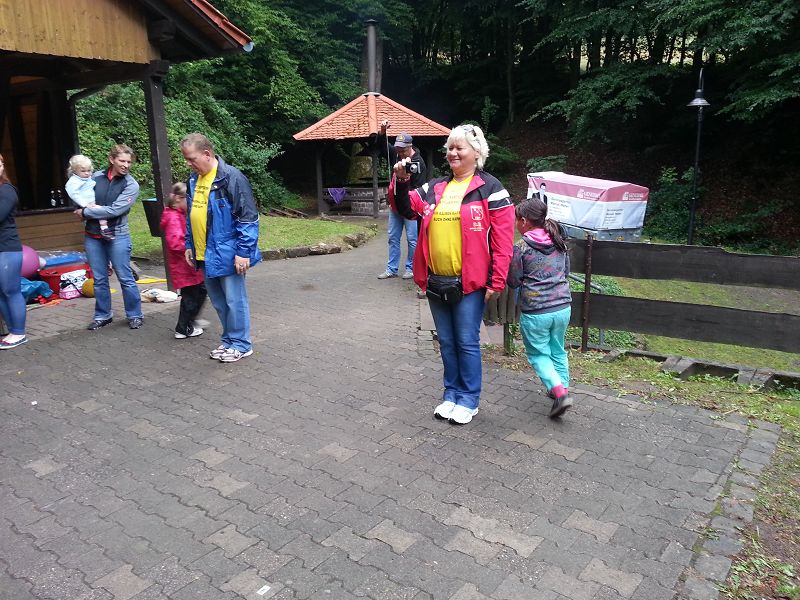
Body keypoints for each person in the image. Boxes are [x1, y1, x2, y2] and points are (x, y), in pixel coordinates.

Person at [393, 124, 515, 425]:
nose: (453, 153)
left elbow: (503, 241)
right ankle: (451, 395)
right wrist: (401, 180)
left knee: (466, 341)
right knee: (446, 341)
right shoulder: (435, 187)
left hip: (470, 282)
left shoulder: (491, 188)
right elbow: (406, 209)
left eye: (460, 147)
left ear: (477, 152)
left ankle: (469, 399)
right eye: (450, 148)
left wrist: (497, 280)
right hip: (436, 278)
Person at [182, 133, 261, 363]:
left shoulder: (231, 178)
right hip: (204, 253)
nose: (188, 164)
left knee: (235, 301)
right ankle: (229, 341)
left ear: (207, 154)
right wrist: (189, 243)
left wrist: (243, 252)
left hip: (228, 252)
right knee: (219, 301)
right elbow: (192, 215)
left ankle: (241, 344)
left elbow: (248, 218)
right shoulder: (193, 180)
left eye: (192, 159)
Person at [506, 198, 573, 418]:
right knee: (557, 349)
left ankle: (560, 394)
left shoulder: (521, 247)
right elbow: (566, 272)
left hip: (536, 311)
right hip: (562, 307)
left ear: (524, 221)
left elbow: (513, 281)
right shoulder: (559, 241)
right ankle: (561, 389)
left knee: (538, 354)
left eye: (517, 220)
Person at [76, 144, 144, 330]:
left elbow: (115, 211)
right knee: (99, 279)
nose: (126, 165)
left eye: (129, 162)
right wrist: (83, 207)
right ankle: (103, 315)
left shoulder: (131, 185)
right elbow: (80, 195)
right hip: (92, 235)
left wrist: (86, 212)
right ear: (111, 159)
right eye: (122, 161)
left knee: (125, 277)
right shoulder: (95, 177)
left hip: (118, 235)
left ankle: (135, 314)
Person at [376, 120, 427, 280]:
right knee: (392, 238)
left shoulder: (418, 163)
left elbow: (418, 189)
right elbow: (382, 146)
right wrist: (382, 131)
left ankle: (411, 268)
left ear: (410, 147)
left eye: (403, 150)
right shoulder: (396, 155)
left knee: (412, 239)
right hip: (394, 207)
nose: (400, 152)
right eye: (398, 149)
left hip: (410, 208)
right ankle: (391, 269)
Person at [161, 182, 208, 339]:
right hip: (184, 267)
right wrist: (193, 248)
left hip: (191, 266)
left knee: (201, 292)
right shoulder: (173, 217)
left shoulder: (180, 214)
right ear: (179, 199)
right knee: (190, 298)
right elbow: (175, 243)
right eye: (191, 200)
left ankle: (190, 322)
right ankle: (183, 328)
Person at [0, 153, 27, 349]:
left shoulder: (7, 190)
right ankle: (12, 331)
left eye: (0, 163)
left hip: (7, 248)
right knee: (1, 292)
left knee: (10, 290)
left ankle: (19, 333)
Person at [65, 154, 114, 240]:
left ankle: (102, 229)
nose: (87, 173)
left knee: (97, 214)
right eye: (83, 171)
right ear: (74, 171)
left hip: (91, 202)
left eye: (89, 170)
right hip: (86, 203)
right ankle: (104, 229)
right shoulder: (74, 181)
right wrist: (85, 204)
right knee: (101, 212)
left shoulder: (86, 178)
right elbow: (73, 194)